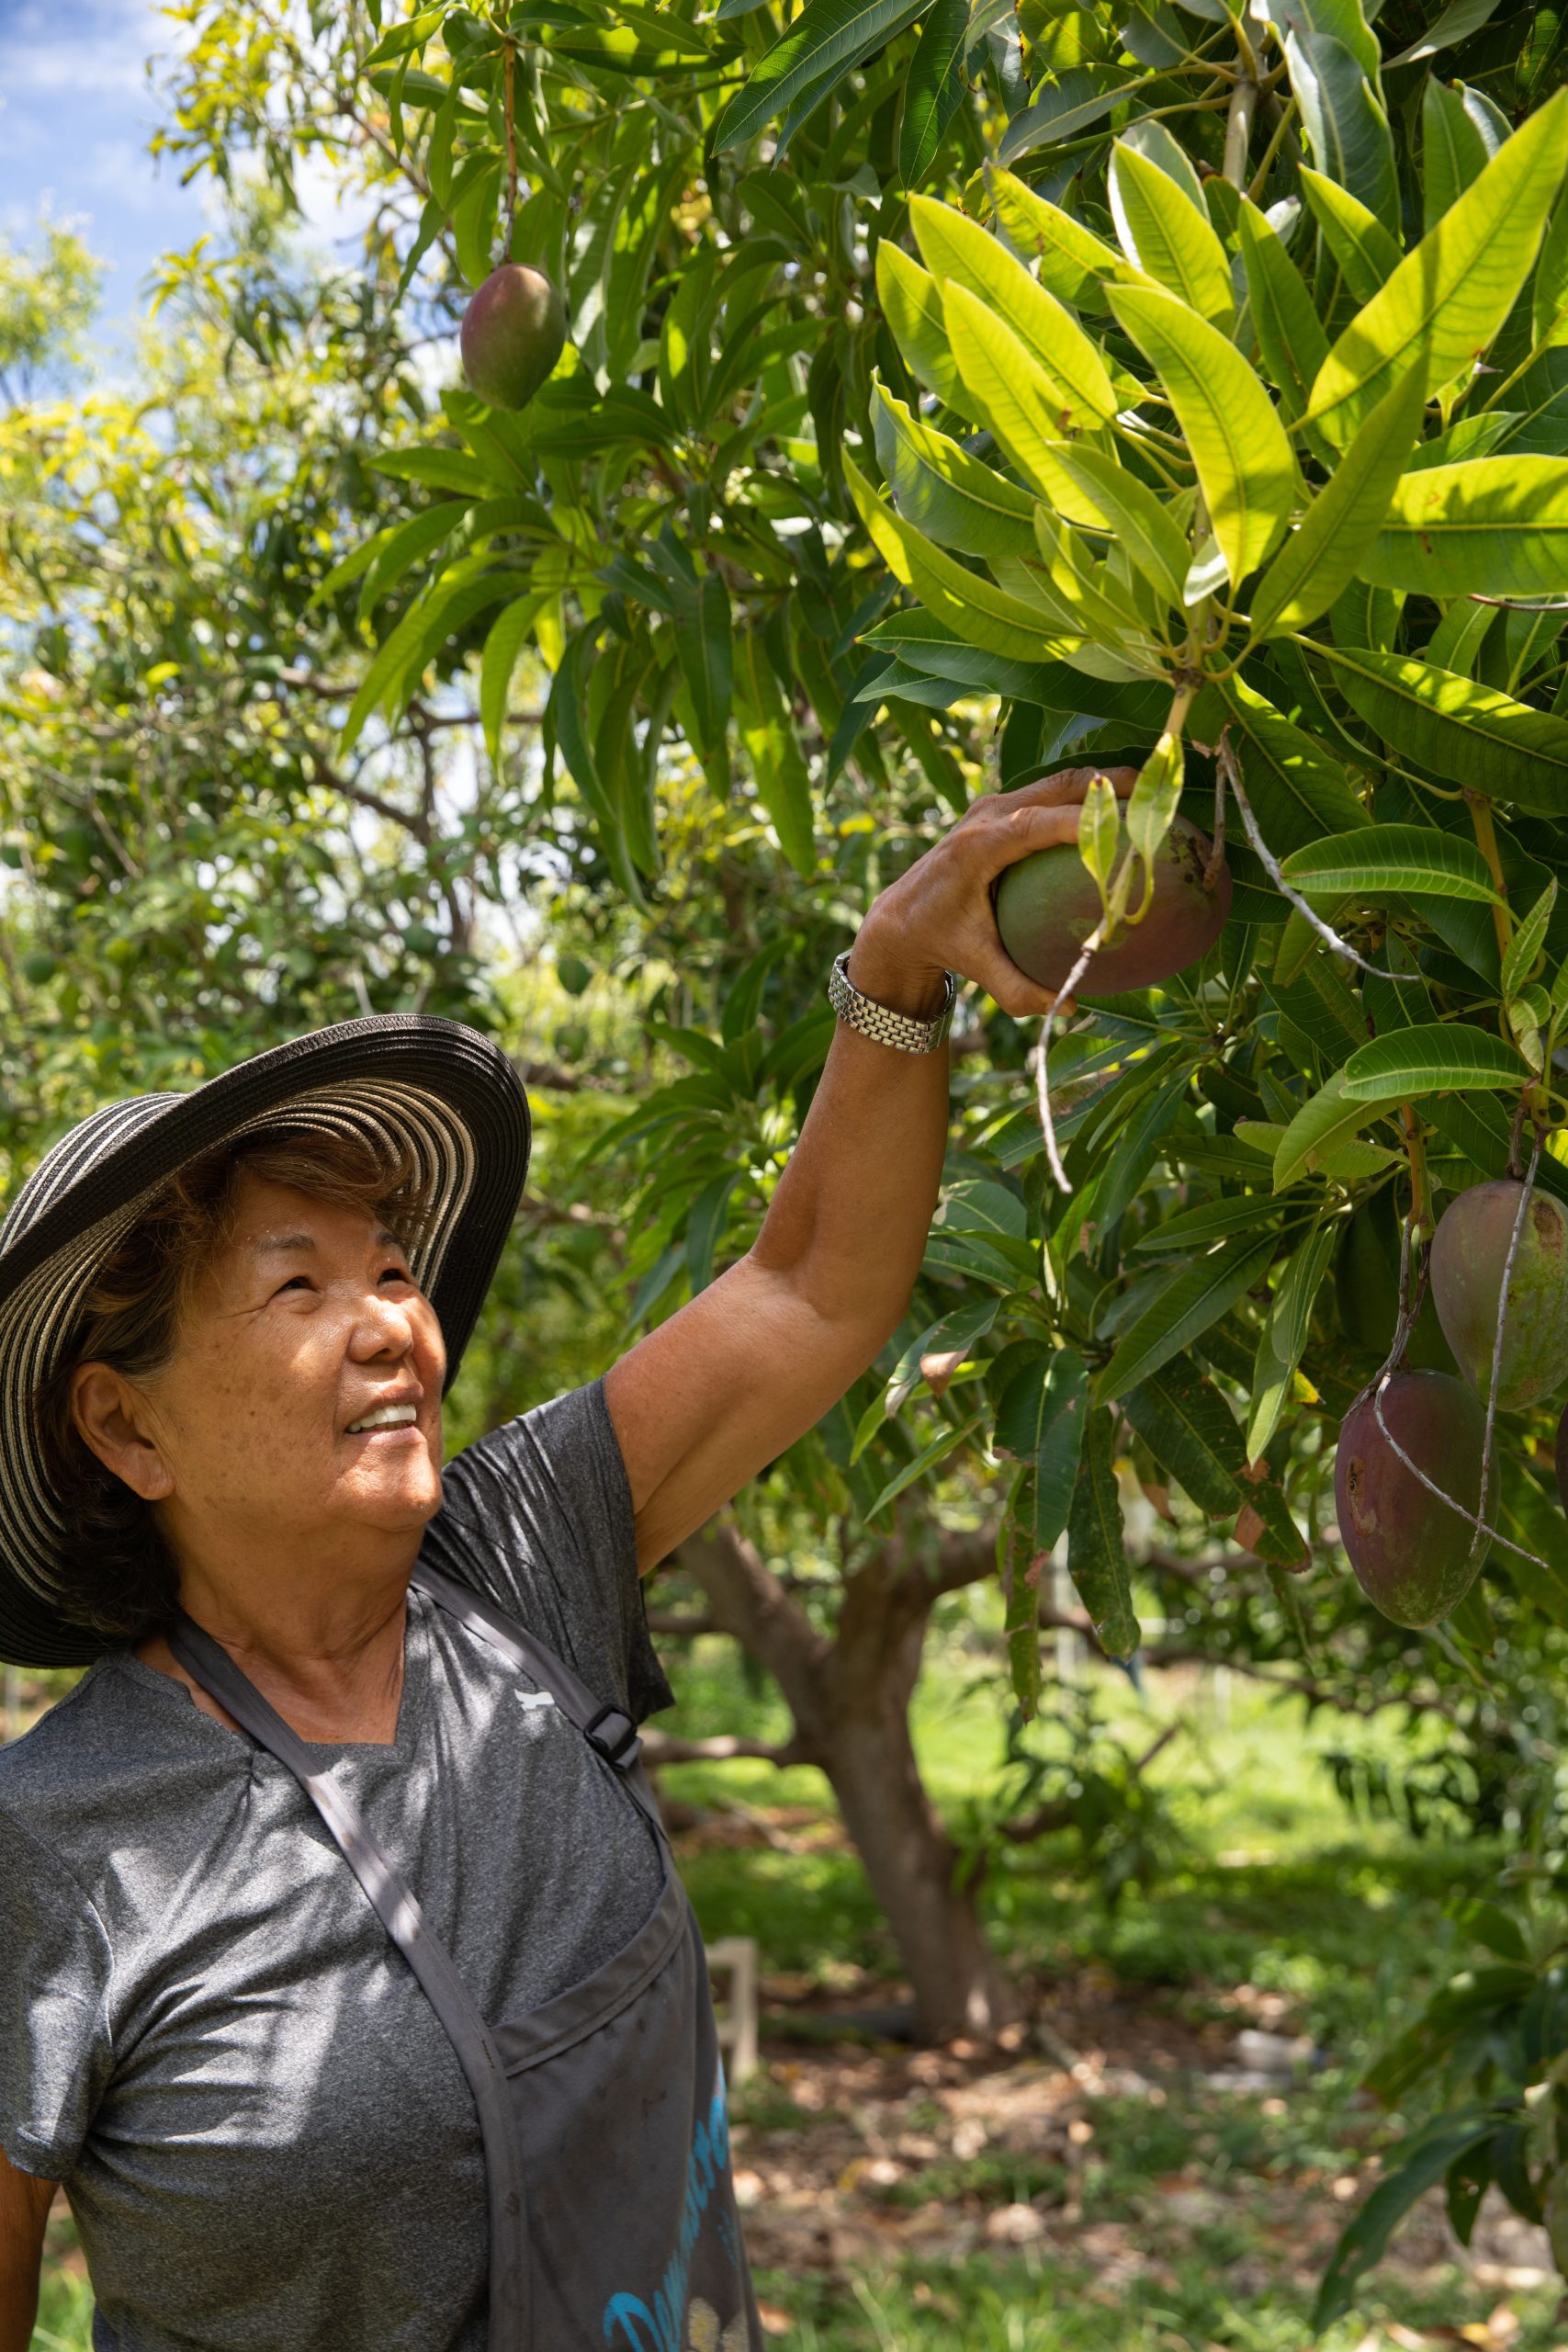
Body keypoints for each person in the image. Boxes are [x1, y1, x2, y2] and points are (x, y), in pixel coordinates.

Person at [0, 774, 1100, 2352]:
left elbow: (807, 1291)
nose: (395, 1322)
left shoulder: (521, 1565)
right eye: (300, 1285)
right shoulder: (56, 1844)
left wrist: (897, 973)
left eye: (392, 1269)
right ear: (126, 1427)